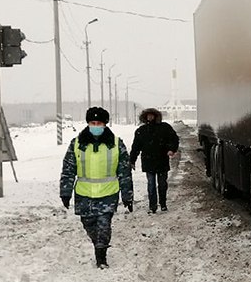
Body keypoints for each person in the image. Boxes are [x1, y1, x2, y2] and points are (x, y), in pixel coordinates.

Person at [59, 107, 134, 269]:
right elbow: (68, 168)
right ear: (87, 123)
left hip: (108, 193)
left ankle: (101, 257)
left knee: (103, 226)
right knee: (89, 224)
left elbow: (124, 171)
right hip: (84, 194)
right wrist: (65, 192)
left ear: (105, 124)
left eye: (99, 123)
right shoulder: (77, 143)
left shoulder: (116, 143)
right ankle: (98, 244)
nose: (95, 125)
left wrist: (127, 195)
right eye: (92, 123)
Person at [129, 108, 180, 213]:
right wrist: (132, 160)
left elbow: (174, 139)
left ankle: (163, 203)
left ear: (156, 116)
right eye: (148, 116)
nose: (150, 117)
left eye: (152, 115)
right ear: (145, 117)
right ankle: (152, 206)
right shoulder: (141, 131)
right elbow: (136, 147)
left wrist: (172, 149)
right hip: (148, 162)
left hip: (162, 160)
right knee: (151, 185)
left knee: (162, 184)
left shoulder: (164, 128)